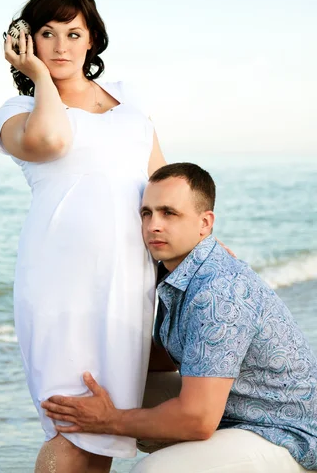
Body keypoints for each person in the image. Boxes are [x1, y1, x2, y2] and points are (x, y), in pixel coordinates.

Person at [42, 163, 317, 473]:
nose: (153, 225)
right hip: (229, 411)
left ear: (205, 223)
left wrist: (109, 419)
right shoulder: (174, 273)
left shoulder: (218, 292)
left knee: (155, 470)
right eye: (146, 213)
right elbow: (163, 365)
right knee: (94, 395)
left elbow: (197, 419)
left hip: (287, 434)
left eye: (169, 213)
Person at [0, 0, 166, 473]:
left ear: (92, 39)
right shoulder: (18, 112)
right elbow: (51, 141)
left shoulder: (130, 101)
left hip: (128, 285)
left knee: (104, 429)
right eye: (46, 34)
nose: (61, 46)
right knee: (71, 425)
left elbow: (161, 184)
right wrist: (38, 80)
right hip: (59, 288)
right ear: (27, 43)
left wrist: (205, 251)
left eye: (74, 33)